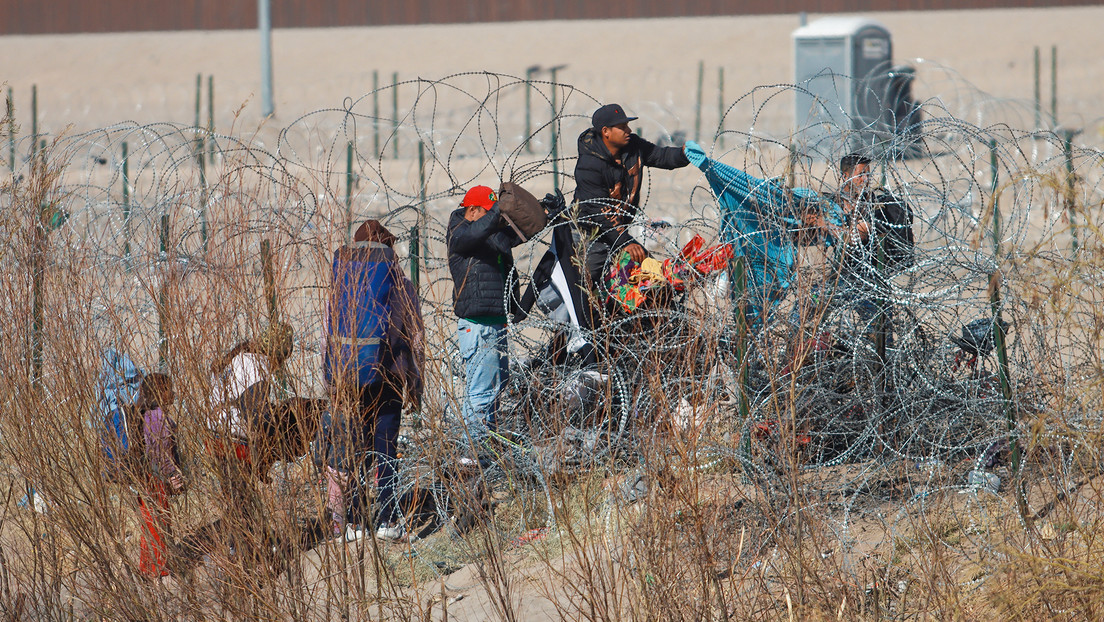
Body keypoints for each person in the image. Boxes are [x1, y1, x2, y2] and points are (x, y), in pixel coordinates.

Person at [322, 219, 424, 541]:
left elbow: (327, 338)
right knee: (384, 450)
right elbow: (416, 339)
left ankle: (350, 523)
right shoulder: (402, 287)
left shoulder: (342, 289)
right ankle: (387, 520)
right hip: (390, 379)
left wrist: (332, 384)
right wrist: (416, 386)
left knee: (349, 449)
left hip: (347, 380)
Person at [573, 103, 690, 289]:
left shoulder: (633, 147)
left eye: (627, 125)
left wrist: (685, 154)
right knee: (587, 287)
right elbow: (599, 211)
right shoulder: (589, 165)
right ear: (606, 132)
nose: (628, 130)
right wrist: (625, 242)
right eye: (622, 127)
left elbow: (660, 155)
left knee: (651, 279)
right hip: (590, 236)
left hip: (618, 232)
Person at [447, 185, 522, 440]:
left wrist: (546, 212)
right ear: (472, 210)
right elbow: (476, 232)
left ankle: (484, 447)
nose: (493, 218)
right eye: (488, 212)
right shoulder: (460, 233)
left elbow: (516, 234)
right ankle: (474, 455)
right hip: (478, 326)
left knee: (495, 389)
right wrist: (498, 210)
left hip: (495, 323)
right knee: (482, 394)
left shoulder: (488, 234)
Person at [135, 372, 185, 579]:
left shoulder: (146, 415)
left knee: (149, 521)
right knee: (159, 522)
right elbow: (161, 453)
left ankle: (147, 566)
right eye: (168, 389)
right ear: (158, 393)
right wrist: (173, 477)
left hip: (144, 477)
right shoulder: (158, 419)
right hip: (154, 478)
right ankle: (158, 568)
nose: (172, 393)